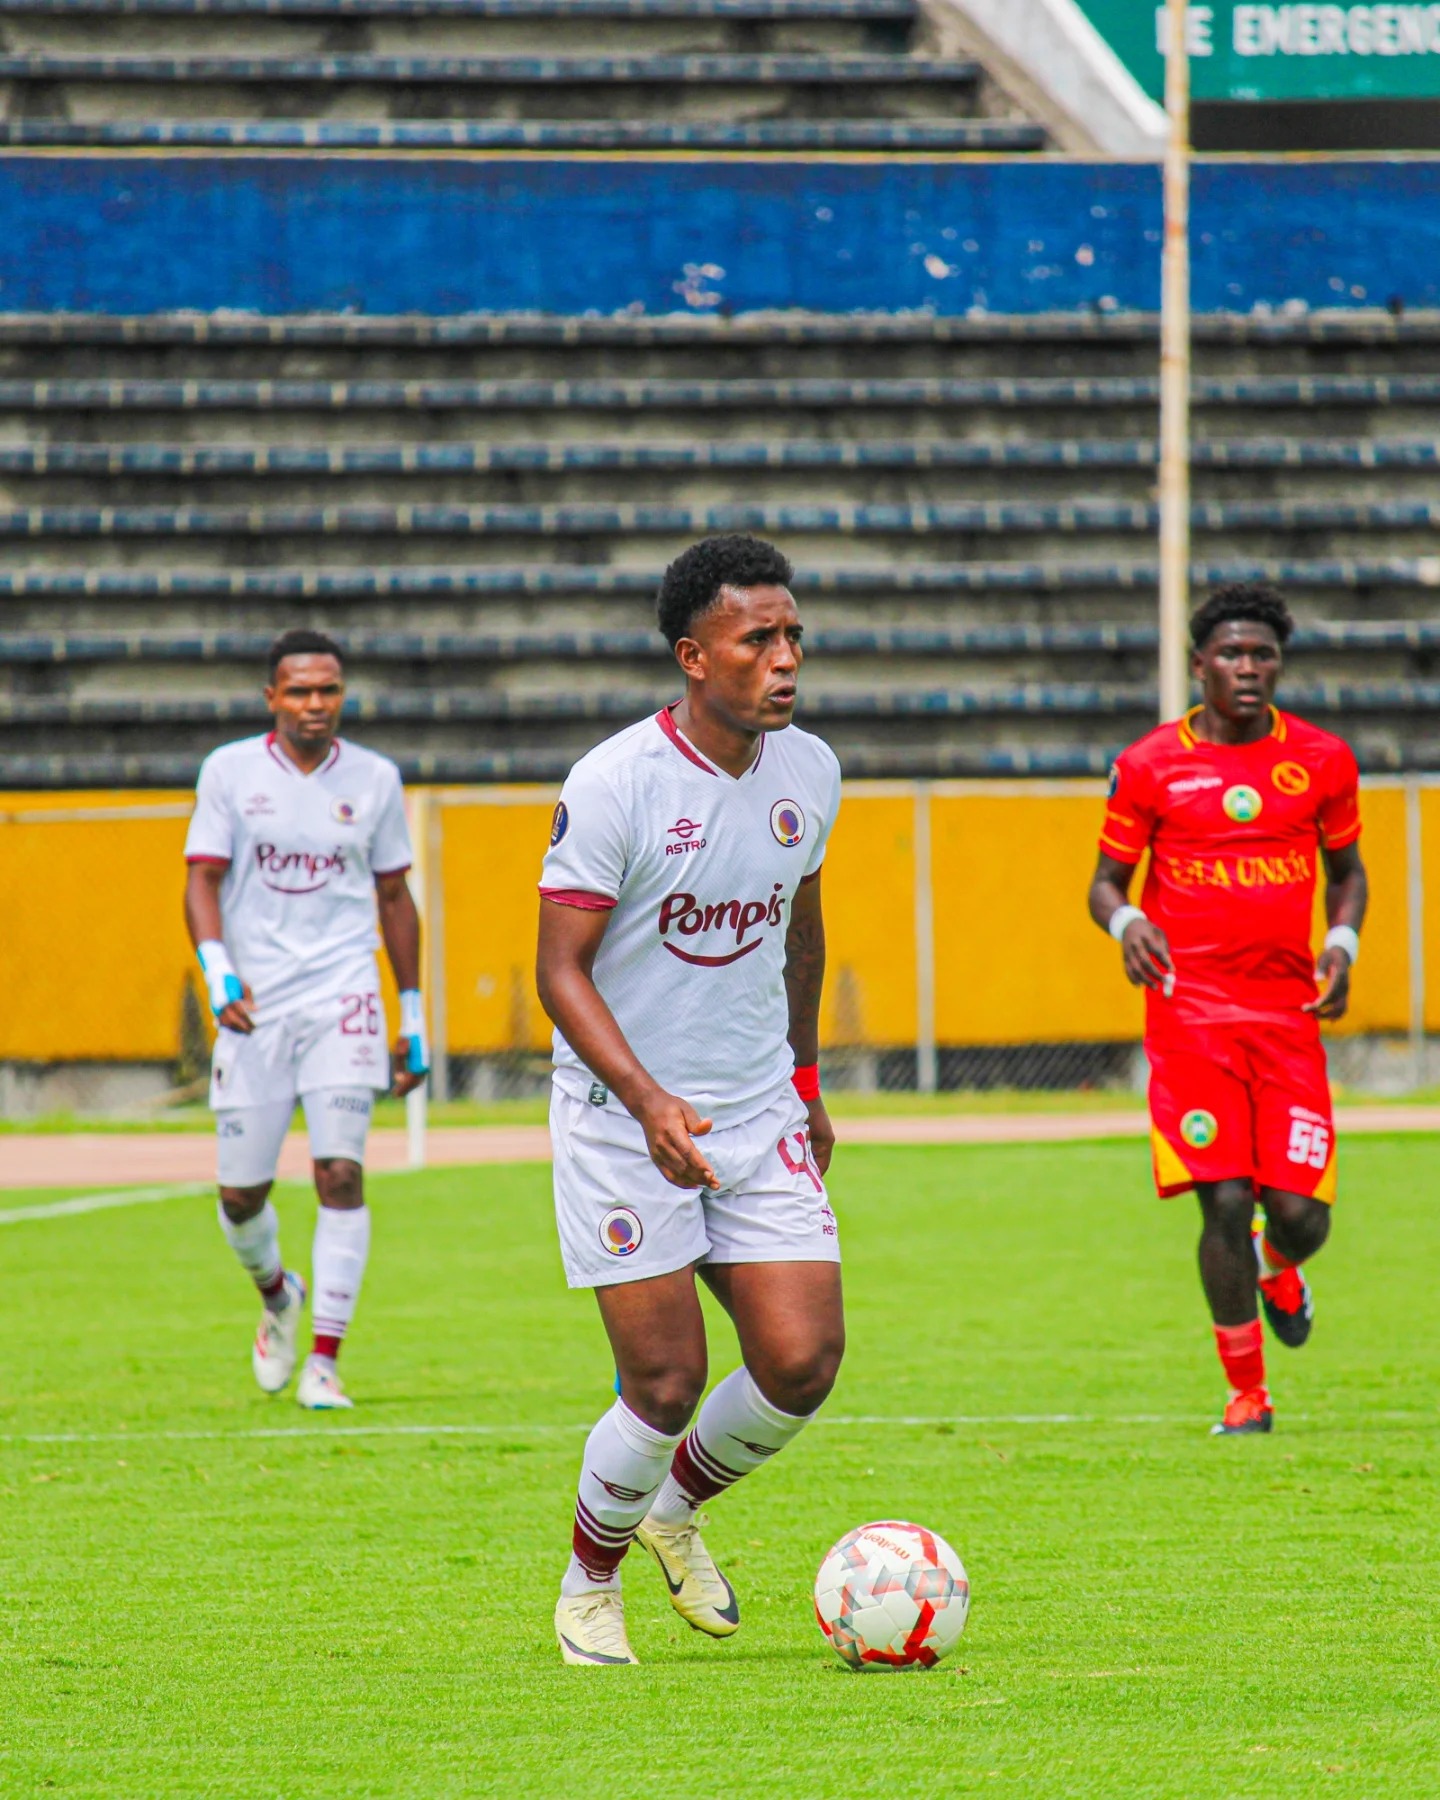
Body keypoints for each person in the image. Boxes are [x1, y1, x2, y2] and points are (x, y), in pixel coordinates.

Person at [535, 534, 844, 1666]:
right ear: (692, 656)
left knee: (804, 1360)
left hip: (756, 1110)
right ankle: (588, 1581)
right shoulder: (615, 781)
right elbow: (557, 970)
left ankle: (672, 1509)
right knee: (665, 1381)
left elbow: (801, 929)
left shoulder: (809, 770)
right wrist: (648, 1098)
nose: (784, 658)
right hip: (625, 1121)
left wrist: (805, 1081)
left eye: (793, 635)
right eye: (757, 639)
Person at [1088, 584, 1367, 1436]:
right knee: (1222, 1199)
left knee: (1299, 1213)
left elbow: (1349, 872)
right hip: (1191, 1016)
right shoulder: (1149, 765)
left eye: (1264, 655)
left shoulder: (1322, 760)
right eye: (1233, 655)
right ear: (1200, 663)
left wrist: (1343, 943)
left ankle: (1280, 1267)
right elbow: (1104, 885)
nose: (1249, 669)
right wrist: (1129, 922)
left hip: (1288, 1015)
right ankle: (1247, 1393)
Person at [183, 628, 428, 1410]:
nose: (315, 704)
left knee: (340, 1172)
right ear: (272, 698)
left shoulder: (376, 779)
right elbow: (202, 881)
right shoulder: (229, 772)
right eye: (300, 691)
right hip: (255, 1006)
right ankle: (276, 1293)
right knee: (240, 1197)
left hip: (343, 995)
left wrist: (412, 1014)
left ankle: (324, 1361)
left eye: (328, 690)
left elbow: (395, 898)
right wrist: (219, 972)